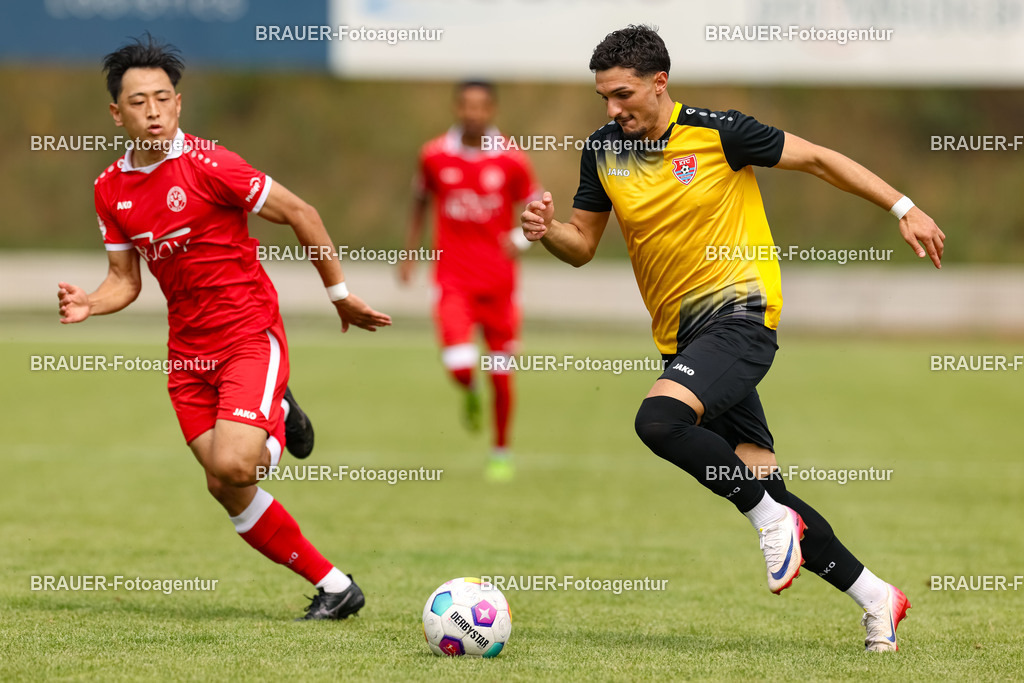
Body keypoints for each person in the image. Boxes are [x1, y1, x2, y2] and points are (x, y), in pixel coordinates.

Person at [521, 25, 944, 652]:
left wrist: (902, 206)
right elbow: (582, 246)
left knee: (659, 422)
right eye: (604, 98)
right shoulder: (602, 150)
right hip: (682, 341)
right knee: (763, 482)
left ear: (658, 82)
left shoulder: (721, 133)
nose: (613, 109)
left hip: (741, 316)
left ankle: (770, 520)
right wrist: (547, 229)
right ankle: (876, 596)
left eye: (623, 94)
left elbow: (822, 160)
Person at [57, 34, 391, 620]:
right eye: (138, 102)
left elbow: (301, 213)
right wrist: (91, 301)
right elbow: (125, 280)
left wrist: (339, 296)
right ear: (116, 112)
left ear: (179, 104)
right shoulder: (109, 189)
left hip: (246, 338)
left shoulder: (213, 165)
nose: (153, 111)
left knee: (237, 462)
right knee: (224, 484)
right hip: (187, 354)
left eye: (163, 98)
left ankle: (278, 413)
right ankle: (337, 587)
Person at [401, 80, 539, 481]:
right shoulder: (433, 156)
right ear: (456, 107)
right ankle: (469, 390)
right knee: (461, 367)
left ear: (492, 109)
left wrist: (519, 238)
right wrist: (410, 253)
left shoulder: (512, 160)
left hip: (500, 288)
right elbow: (419, 201)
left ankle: (501, 450)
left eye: (481, 106)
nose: (473, 113)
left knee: (501, 373)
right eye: (466, 105)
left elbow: (539, 206)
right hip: (453, 281)